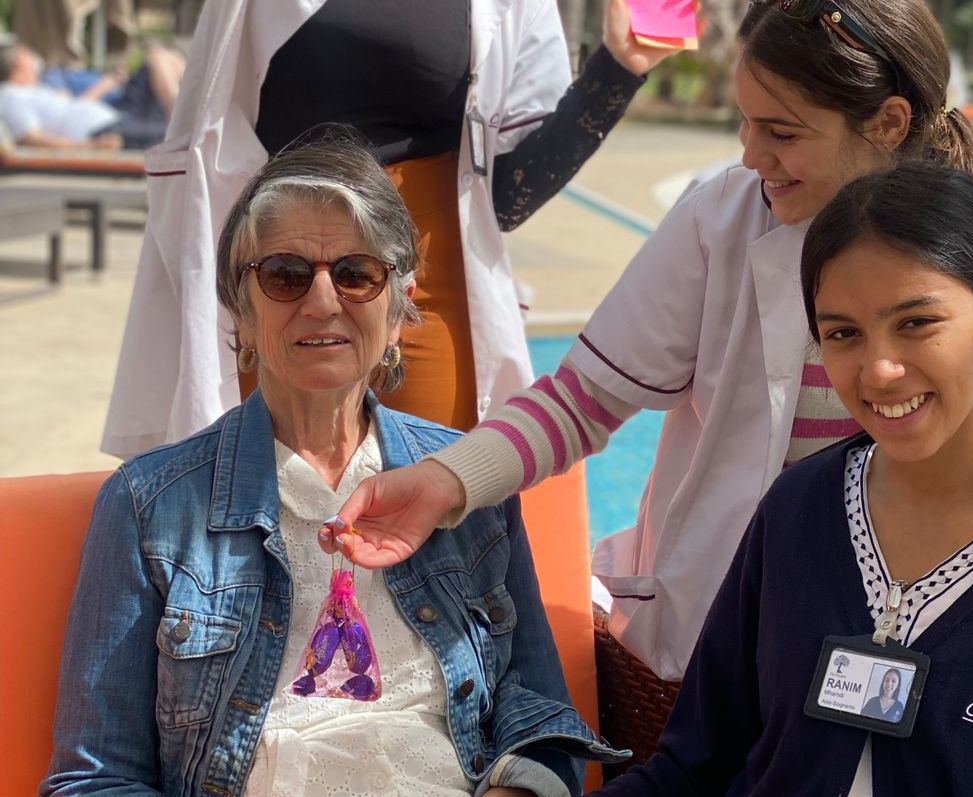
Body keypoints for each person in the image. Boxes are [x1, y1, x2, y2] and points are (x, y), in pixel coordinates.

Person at [321, 0, 973, 683]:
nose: (751, 156)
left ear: (888, 122)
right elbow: (582, 401)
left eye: (781, 132)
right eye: (744, 125)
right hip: (737, 625)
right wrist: (447, 482)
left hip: (929, 624)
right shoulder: (725, 218)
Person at [40, 137, 624, 797]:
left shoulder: (467, 484)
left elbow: (542, 719)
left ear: (400, 310)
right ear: (243, 314)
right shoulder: (150, 507)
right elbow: (95, 779)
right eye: (286, 274)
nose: (322, 302)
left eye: (356, 273)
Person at [577, 161, 973, 797]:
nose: (879, 370)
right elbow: (691, 771)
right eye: (843, 334)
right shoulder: (798, 510)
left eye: (916, 323)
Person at [100, 0, 678, 457]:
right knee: (264, 526)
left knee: (437, 525)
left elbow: (507, 194)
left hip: (422, 289)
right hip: (279, 278)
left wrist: (619, 68)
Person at [0, 41, 177, 149]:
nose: (33, 60)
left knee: (159, 57)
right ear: (18, 64)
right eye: (27, 56)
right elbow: (31, 139)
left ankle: (181, 110)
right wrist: (91, 147)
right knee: (179, 135)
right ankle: (179, 114)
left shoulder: (35, 90)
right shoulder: (11, 95)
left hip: (117, 119)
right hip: (101, 131)